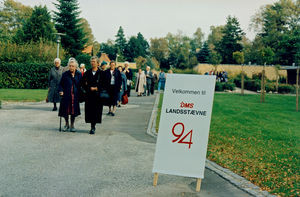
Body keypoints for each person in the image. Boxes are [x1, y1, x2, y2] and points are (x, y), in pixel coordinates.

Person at [81, 56, 105, 134]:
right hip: (89, 95)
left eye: (94, 61)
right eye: (91, 61)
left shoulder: (101, 73)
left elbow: (104, 84)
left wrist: (97, 88)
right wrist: (89, 87)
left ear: (98, 63)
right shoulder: (87, 73)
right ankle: (91, 126)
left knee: (96, 111)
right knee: (90, 111)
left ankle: (93, 126)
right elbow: (83, 84)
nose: (92, 63)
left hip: (97, 96)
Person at [58, 58, 82, 132]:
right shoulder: (65, 74)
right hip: (66, 95)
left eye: (72, 66)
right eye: (70, 66)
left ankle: (72, 125)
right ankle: (66, 124)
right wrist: (61, 91)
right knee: (65, 111)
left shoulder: (78, 74)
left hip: (75, 96)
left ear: (75, 67)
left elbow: (81, 84)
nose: (71, 67)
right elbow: (60, 84)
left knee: (73, 112)